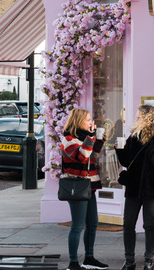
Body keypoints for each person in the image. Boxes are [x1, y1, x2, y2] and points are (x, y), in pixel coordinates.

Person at [116, 104, 154, 270]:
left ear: (148, 117)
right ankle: (129, 261)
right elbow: (126, 162)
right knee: (128, 224)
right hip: (134, 188)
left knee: (149, 225)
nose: (136, 118)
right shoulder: (133, 137)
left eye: (139, 116)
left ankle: (149, 260)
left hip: (153, 188)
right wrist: (119, 150)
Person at [60, 107, 109, 270]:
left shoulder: (85, 138)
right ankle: (73, 262)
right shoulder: (68, 139)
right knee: (77, 225)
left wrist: (99, 140)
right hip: (77, 185)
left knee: (92, 223)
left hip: (89, 186)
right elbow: (82, 157)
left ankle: (89, 258)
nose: (91, 122)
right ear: (79, 121)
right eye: (88, 119)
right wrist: (91, 137)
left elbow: (91, 157)